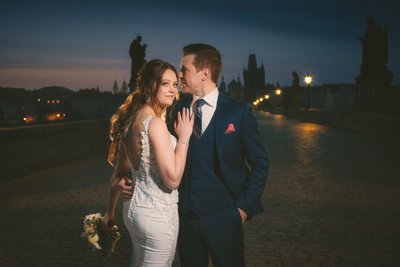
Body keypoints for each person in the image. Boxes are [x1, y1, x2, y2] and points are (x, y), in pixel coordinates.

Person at [120, 43, 268, 267]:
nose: (179, 76)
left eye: (184, 70)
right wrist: (130, 179)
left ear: (205, 74)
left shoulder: (239, 111)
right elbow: (151, 152)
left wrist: (243, 208)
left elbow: (260, 163)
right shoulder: (174, 109)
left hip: (225, 217)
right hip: (184, 220)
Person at [102, 59, 194, 266]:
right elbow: (172, 180)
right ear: (149, 86)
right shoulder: (155, 124)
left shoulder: (130, 121)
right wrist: (184, 137)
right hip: (157, 216)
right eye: (165, 84)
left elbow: (118, 175)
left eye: (174, 85)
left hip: (133, 213)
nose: (172, 90)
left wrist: (109, 212)